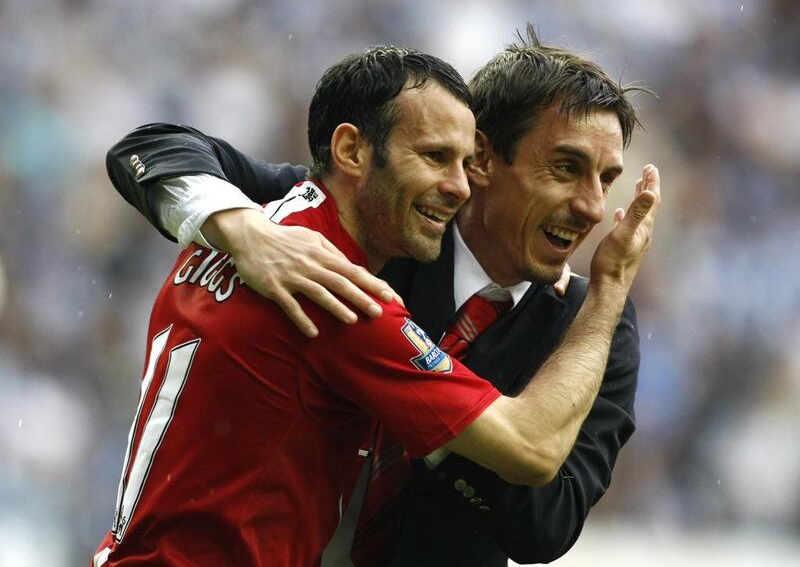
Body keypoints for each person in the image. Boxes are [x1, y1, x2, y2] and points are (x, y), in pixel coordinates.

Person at [102, 31, 659, 566]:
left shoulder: (595, 324)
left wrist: (426, 416)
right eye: (566, 168)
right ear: (483, 158)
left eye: (607, 180)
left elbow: (549, 525)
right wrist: (244, 229)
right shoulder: (335, 253)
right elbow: (150, 147)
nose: (590, 207)